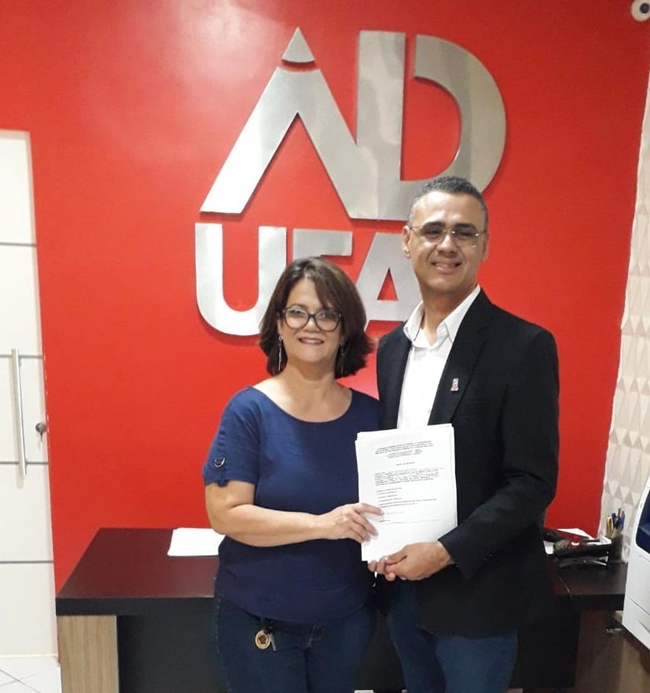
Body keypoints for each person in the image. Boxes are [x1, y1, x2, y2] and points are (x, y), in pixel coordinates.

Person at [370, 176, 559, 693]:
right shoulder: (391, 349)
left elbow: (532, 482)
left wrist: (445, 551)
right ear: (407, 241)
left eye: (464, 232)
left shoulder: (523, 346)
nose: (447, 244)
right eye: (433, 230)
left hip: (479, 598)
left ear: (485, 245)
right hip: (402, 588)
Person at [202, 257, 382, 693]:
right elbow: (225, 514)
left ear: (345, 329)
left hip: (346, 619)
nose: (311, 326)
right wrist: (324, 525)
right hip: (260, 620)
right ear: (279, 324)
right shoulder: (248, 411)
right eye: (298, 312)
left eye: (327, 314)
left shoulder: (374, 417)